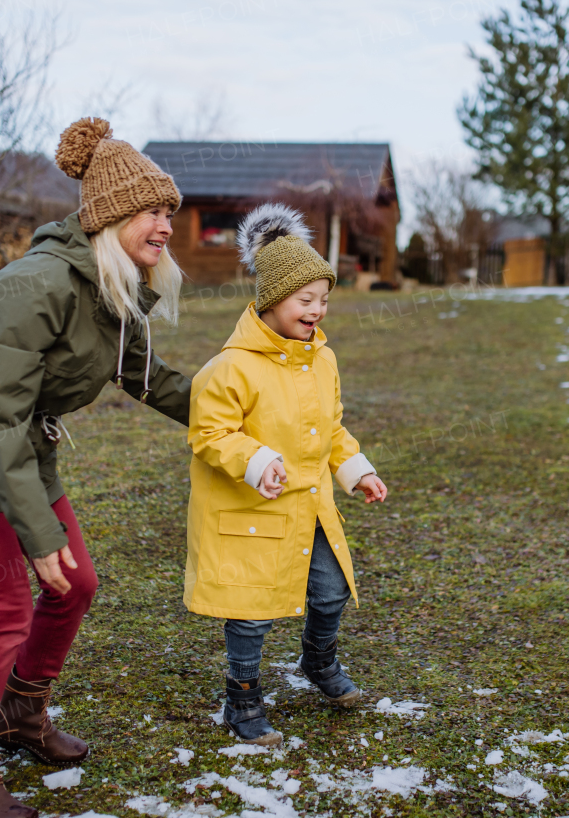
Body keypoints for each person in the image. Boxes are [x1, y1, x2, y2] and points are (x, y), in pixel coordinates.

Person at [0, 118, 192, 818]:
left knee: (75, 583)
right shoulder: (29, 288)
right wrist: (37, 531)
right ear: (111, 215)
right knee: (3, 611)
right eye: (153, 210)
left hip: (21, 451)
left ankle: (21, 713)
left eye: (169, 211)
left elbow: (151, 380)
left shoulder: (115, 292)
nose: (165, 226)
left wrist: (234, 409)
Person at [183, 204, 388, 745]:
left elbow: (333, 429)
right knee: (251, 610)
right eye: (305, 299)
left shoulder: (324, 360)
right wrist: (255, 460)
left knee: (330, 591)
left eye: (323, 299)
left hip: (310, 507)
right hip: (252, 513)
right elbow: (209, 434)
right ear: (272, 299)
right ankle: (242, 698)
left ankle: (318, 664)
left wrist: (357, 470)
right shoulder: (230, 368)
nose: (317, 309)